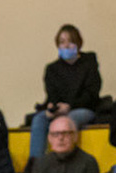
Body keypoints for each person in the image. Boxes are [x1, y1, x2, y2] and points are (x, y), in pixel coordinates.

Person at [29, 25, 102, 161]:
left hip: (83, 108)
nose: (66, 45)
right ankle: (35, 163)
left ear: (78, 43)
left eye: (70, 41)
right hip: (60, 109)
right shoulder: (52, 69)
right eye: (62, 42)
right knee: (39, 119)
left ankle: (66, 160)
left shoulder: (89, 63)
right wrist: (53, 108)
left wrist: (69, 106)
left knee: (68, 120)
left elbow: (92, 94)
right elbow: (51, 95)